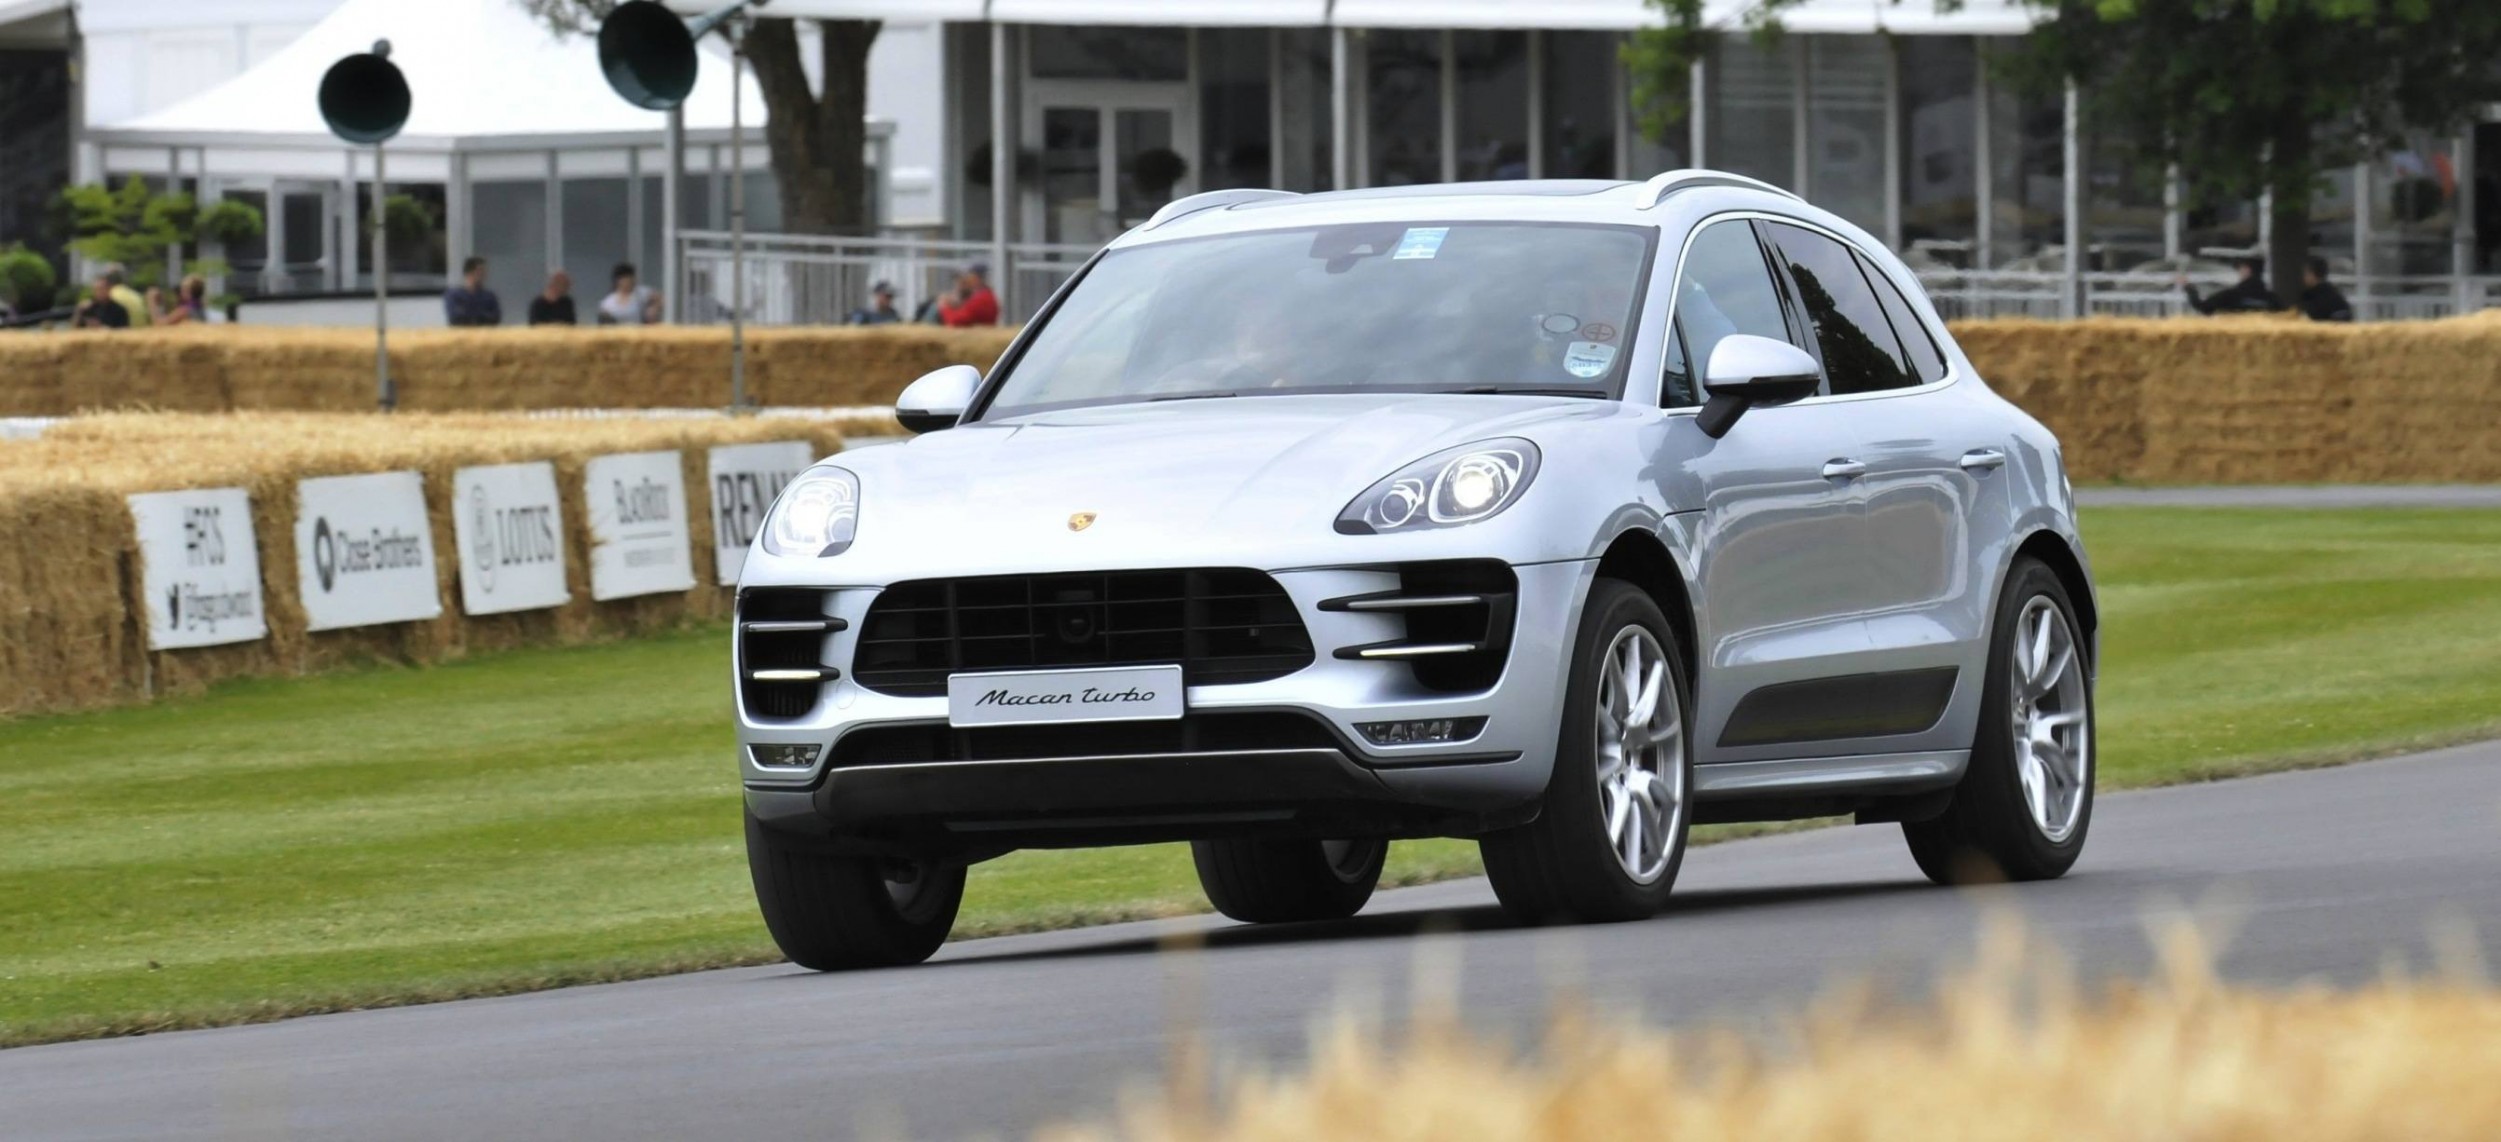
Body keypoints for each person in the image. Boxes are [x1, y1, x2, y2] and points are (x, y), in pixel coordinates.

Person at [2178, 256, 2277, 315]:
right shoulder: (2272, 299)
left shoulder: (2231, 295)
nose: (2239, 272)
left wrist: (2189, 287)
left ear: (2247, 270)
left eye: (2240, 269)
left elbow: (2203, 307)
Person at [596, 262, 662, 325]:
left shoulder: (640, 293)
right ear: (618, 281)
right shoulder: (608, 302)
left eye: (631, 278)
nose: (629, 281)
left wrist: (654, 308)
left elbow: (659, 298)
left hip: (638, 332)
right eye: (626, 278)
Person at [937, 261, 1000, 327]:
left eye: (968, 276)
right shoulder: (983, 295)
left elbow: (955, 321)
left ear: (975, 278)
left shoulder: (982, 299)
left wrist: (944, 307)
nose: (965, 279)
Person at [444, 256, 502, 326]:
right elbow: (455, 318)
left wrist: (469, 313)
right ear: (469, 272)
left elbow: (495, 318)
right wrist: (481, 315)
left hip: (484, 335)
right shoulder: (454, 295)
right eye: (480, 271)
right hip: (462, 335)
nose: (484, 274)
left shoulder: (489, 296)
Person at [2298, 256, 2354, 323]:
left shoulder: (2311, 298)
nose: (2304, 277)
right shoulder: (2336, 296)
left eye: (2306, 274)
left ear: (2312, 275)